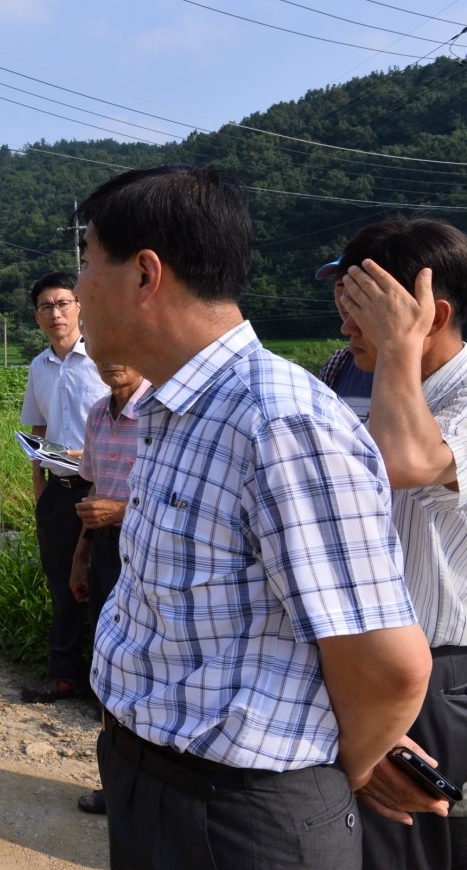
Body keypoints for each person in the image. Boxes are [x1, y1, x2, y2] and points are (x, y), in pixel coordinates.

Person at [73, 163, 433, 870]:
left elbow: (389, 667)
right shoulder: (175, 409)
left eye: (86, 264)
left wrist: (346, 765)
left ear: (145, 276)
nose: (77, 290)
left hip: (240, 820)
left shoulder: (277, 421)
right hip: (152, 779)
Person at [332, 217, 467, 870]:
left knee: (409, 847)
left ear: (429, 314)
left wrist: (394, 347)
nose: (344, 329)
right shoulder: (359, 381)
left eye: (362, 311)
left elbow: (404, 458)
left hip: (438, 674)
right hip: (363, 656)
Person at [19, 271, 109, 702]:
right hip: (58, 491)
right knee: (62, 582)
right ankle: (65, 672)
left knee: (108, 581)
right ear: (36, 315)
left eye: (62, 304)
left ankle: (107, 684)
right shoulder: (39, 366)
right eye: (45, 307)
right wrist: (41, 488)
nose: (55, 313)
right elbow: (38, 431)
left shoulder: (105, 358)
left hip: (103, 490)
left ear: (79, 307)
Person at [67, 360, 150, 816]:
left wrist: (118, 512)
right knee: (110, 660)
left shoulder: (159, 411)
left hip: (147, 547)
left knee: (144, 663)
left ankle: (147, 784)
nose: (115, 362)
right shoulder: (99, 413)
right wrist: (81, 556)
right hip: (105, 547)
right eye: (106, 353)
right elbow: (93, 489)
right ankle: (115, 782)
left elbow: (168, 497)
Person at [313, 258, 375, 422]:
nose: (346, 296)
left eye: (357, 284)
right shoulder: (337, 365)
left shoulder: (430, 369)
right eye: (340, 285)